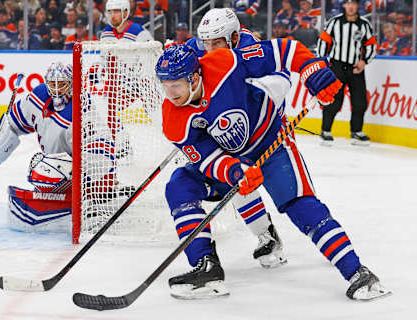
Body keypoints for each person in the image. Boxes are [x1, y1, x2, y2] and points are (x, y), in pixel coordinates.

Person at [155, 44, 390, 301]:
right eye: (165, 85)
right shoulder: (173, 119)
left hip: (272, 143)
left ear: (195, 77)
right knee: (179, 185)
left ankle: (357, 273)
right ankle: (207, 268)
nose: (170, 93)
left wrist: (311, 68)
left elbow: (284, 50)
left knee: (301, 206)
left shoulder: (225, 63)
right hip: (234, 158)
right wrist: (234, 172)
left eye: (176, 84)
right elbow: (208, 159)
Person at [187, 8, 288, 269]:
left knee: (288, 192)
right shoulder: (203, 45)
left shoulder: (249, 49)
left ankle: (299, 230)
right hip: (228, 128)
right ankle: (265, 234)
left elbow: (276, 82)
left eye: (216, 41)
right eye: (205, 42)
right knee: (237, 182)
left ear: (231, 37)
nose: (209, 48)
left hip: (261, 128)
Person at [0, 62, 115, 230]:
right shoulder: (39, 96)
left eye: (63, 84)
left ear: (72, 83)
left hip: (90, 169)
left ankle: (91, 203)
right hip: (60, 165)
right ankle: (58, 196)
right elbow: (15, 121)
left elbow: (103, 152)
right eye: (53, 84)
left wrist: (79, 173)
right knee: (43, 170)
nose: (57, 89)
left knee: (47, 169)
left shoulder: (81, 109)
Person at [316, 0, 377, 146]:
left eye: (353, 4)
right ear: (344, 6)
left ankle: (356, 131)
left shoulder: (364, 24)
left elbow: (371, 45)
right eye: (347, 4)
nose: (350, 7)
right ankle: (326, 131)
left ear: (357, 6)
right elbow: (323, 42)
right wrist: (323, 63)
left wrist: (364, 61)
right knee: (334, 100)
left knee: (360, 101)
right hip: (337, 66)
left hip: (356, 67)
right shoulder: (334, 22)